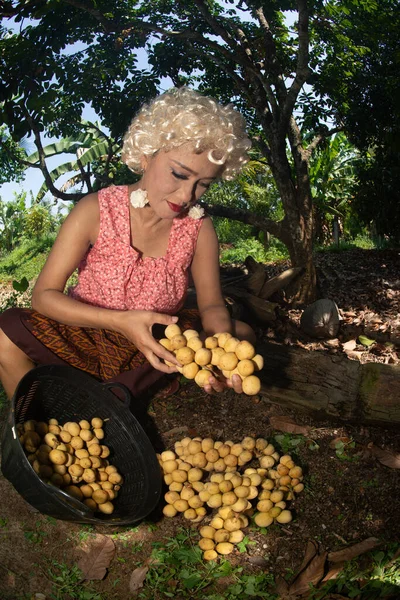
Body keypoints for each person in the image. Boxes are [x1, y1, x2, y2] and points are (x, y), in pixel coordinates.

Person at [0, 87, 255, 402]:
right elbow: (43, 296)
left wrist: (218, 350)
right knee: (4, 333)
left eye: (203, 184)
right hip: (85, 334)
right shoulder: (95, 210)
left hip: (151, 341)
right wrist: (119, 321)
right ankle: (35, 417)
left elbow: (212, 305)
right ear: (147, 156)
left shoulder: (199, 228)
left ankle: (116, 390)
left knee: (240, 332)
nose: (186, 196)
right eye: (178, 174)